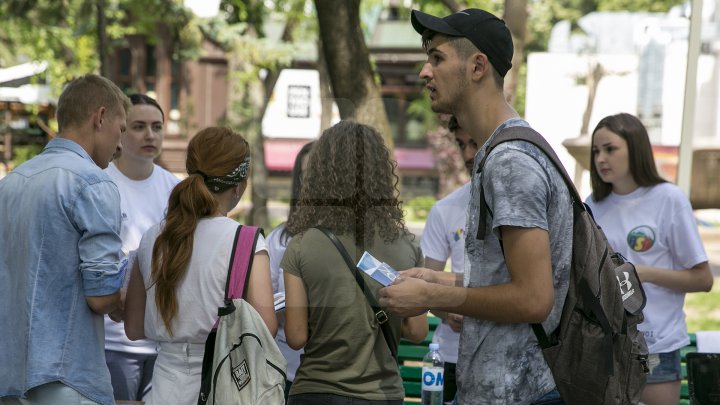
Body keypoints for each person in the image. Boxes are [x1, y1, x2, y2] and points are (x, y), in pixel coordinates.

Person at [378, 9, 574, 405]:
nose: (424, 72)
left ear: (477, 66)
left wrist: (432, 298)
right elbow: (514, 279)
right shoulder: (503, 152)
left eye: (437, 57)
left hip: (518, 392)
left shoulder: (510, 162)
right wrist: (439, 281)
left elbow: (534, 298)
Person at [0, 74, 130, 405]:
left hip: (11, 375)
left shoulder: (11, 184)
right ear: (100, 117)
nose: (120, 145)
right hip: (68, 377)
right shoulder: (93, 183)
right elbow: (101, 298)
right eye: (122, 129)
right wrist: (125, 297)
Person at [123, 127, 277, 405]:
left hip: (164, 387)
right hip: (225, 385)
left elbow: (133, 328)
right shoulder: (246, 243)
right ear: (239, 185)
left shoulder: (153, 238)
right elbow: (266, 329)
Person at [282, 120, 429, 405]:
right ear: (381, 174)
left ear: (320, 174)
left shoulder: (301, 245)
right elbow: (417, 331)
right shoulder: (406, 246)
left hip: (315, 392)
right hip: (381, 395)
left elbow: (297, 336)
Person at [585, 113, 713, 405]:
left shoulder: (668, 199)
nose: (600, 158)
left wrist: (644, 273)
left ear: (635, 148)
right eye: (596, 151)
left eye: (610, 149)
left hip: (656, 344)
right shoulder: (592, 205)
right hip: (605, 346)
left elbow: (703, 280)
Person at [104, 94, 180, 401]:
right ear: (121, 131)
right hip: (114, 341)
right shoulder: (101, 183)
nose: (150, 135)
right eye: (138, 126)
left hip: (164, 340)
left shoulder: (175, 190)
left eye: (157, 127)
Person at [420, 115, 477, 403]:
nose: (468, 154)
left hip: (504, 355)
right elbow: (426, 285)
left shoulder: (523, 205)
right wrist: (448, 311)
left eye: (475, 144)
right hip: (450, 355)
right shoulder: (446, 209)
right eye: (462, 144)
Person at [265, 140, 314, 401]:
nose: (313, 184)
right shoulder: (280, 239)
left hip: (331, 377)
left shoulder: (353, 240)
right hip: (285, 371)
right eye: (307, 176)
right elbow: (265, 303)